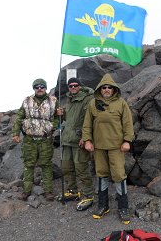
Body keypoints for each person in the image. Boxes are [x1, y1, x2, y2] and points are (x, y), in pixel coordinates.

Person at [82, 73, 134, 224]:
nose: (106, 90)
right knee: (101, 174)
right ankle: (103, 206)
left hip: (117, 146)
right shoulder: (93, 103)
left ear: (113, 89)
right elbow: (87, 124)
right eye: (104, 87)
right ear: (100, 89)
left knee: (119, 174)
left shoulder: (121, 103)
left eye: (109, 87)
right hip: (98, 146)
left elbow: (128, 124)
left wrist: (127, 140)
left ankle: (123, 207)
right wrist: (87, 140)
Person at [12, 78, 60, 201]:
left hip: (45, 139)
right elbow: (19, 118)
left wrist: (53, 126)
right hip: (29, 140)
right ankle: (26, 190)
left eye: (42, 87)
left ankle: (48, 191)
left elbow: (59, 118)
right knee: (29, 165)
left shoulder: (54, 101)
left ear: (46, 88)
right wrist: (15, 133)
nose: (39, 89)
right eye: (37, 87)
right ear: (34, 88)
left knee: (46, 165)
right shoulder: (27, 100)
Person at [58, 77, 95, 211]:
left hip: (80, 140)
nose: (73, 88)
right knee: (66, 167)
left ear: (80, 86)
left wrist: (86, 137)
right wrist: (62, 114)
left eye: (75, 85)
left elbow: (91, 119)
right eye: (70, 86)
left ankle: (88, 196)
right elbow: (71, 119)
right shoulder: (69, 100)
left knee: (82, 169)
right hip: (67, 140)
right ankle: (73, 191)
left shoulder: (88, 99)